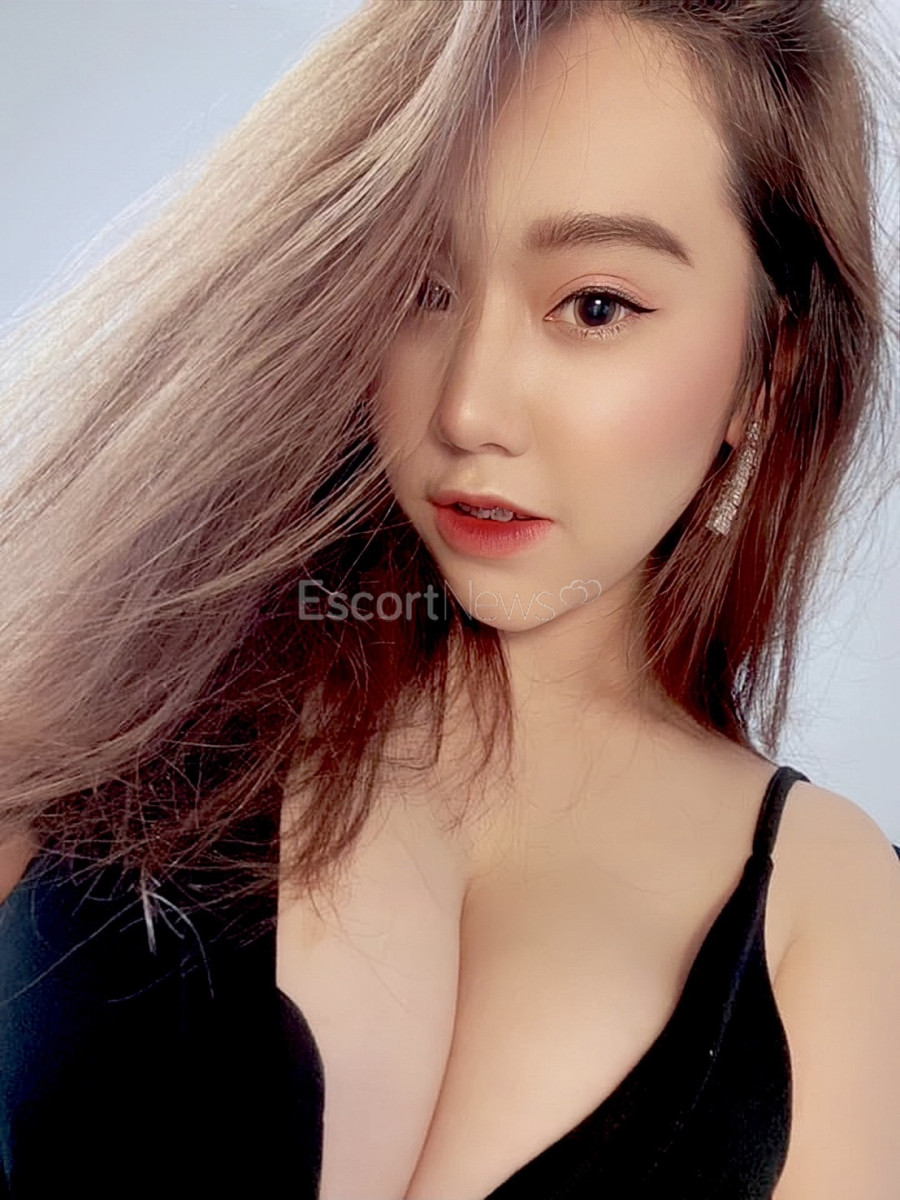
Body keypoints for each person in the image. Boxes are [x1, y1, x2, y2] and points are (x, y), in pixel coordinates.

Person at [0, 0, 898, 1197]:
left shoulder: (831, 910)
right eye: (421, 284)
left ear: (765, 374)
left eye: (594, 306)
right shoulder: (99, 732)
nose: (470, 406)